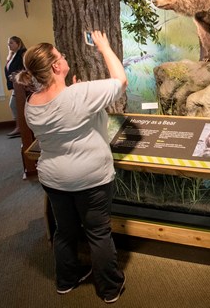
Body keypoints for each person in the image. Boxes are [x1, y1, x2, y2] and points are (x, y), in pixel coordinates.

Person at [15, 31, 127, 303]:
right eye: (61, 55)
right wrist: (105, 47)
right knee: (98, 232)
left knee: (64, 231)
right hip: (91, 178)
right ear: (55, 67)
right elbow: (120, 81)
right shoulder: (79, 95)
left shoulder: (32, 104)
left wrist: (76, 93)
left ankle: (66, 280)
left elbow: (65, 116)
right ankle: (109, 289)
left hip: (54, 179)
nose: (65, 57)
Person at [4, 36, 27, 137]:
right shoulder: (13, 55)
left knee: (13, 105)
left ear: (18, 43)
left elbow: (25, 68)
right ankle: (20, 127)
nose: (9, 45)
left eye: (11, 43)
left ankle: (20, 127)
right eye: (8, 43)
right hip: (16, 85)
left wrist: (16, 76)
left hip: (21, 84)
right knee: (16, 105)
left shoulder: (23, 53)